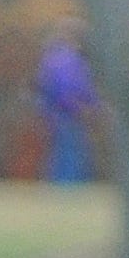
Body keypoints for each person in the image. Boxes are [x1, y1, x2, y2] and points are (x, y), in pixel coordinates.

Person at [37, 36, 100, 187]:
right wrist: (89, 108)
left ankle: (63, 183)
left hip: (55, 114)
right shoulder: (69, 62)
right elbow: (72, 90)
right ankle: (68, 185)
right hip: (68, 115)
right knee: (71, 151)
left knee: (62, 150)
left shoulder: (53, 59)